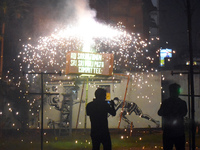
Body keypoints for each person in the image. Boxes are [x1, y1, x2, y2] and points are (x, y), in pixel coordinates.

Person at [158, 83, 187, 150]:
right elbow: (184, 113)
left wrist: (168, 112)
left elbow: (160, 113)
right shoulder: (182, 102)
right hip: (178, 131)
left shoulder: (166, 102)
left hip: (169, 131)